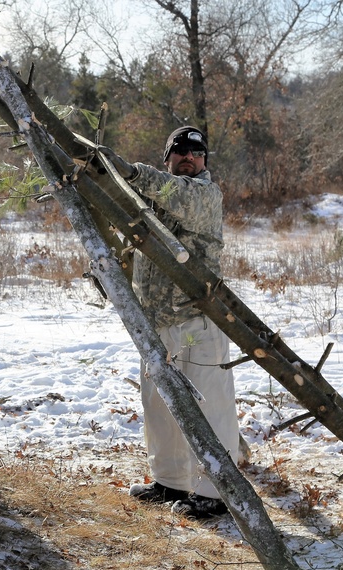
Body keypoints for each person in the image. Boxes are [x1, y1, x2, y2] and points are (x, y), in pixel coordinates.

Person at [109, 126, 244, 518]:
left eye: (197, 153)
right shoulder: (147, 201)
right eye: (180, 151)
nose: (189, 157)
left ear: (205, 161)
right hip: (156, 323)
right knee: (160, 406)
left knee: (211, 407)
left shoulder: (203, 194)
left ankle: (215, 494)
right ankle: (171, 482)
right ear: (167, 157)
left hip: (198, 321)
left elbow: (176, 194)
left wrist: (130, 172)